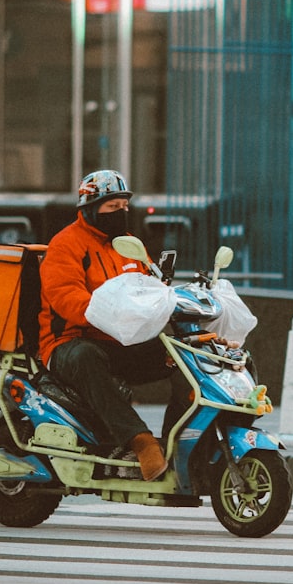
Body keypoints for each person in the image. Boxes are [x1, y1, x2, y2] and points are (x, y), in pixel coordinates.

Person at [37, 169, 187, 481]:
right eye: (112, 207)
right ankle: (141, 442)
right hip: (68, 343)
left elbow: (149, 287)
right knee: (86, 357)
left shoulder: (130, 244)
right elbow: (65, 297)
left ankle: (180, 444)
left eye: (124, 207)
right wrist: (109, 314)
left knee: (183, 357)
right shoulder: (65, 245)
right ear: (89, 209)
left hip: (122, 340)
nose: (120, 213)